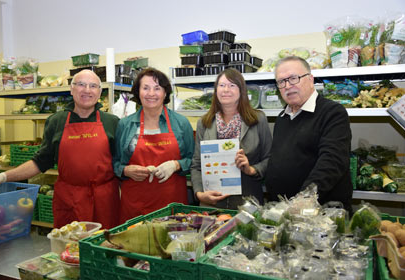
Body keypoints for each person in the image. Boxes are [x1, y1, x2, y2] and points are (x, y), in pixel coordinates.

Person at [0, 69, 121, 229]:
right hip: (69, 200)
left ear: (99, 92)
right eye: (81, 85)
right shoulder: (56, 122)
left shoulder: (112, 122)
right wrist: (3, 176)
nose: (87, 90)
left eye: (93, 86)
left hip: (104, 200)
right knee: (68, 248)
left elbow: (121, 165)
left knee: (103, 248)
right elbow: (40, 162)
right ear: (71, 89)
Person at [265, 56, 353, 213]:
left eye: (293, 78)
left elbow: (332, 161)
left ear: (310, 79)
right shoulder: (282, 118)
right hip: (285, 212)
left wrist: (304, 200)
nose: (287, 86)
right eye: (281, 82)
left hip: (322, 214)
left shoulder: (332, 112)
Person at [113, 67, 194, 222]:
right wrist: (125, 170)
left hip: (172, 204)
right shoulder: (125, 124)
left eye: (157, 88)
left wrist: (176, 165)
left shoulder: (181, 123)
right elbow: (114, 162)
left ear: (165, 93)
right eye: (145, 88)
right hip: (135, 204)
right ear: (138, 93)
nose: (151, 94)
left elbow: (194, 161)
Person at [191, 68, 272, 209]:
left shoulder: (258, 119)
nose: (226, 90)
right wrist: (199, 193)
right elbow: (196, 164)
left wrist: (252, 169)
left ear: (241, 90)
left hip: (248, 202)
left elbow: (270, 158)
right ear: (216, 91)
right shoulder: (205, 122)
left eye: (232, 85)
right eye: (221, 85)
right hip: (213, 202)